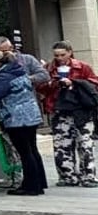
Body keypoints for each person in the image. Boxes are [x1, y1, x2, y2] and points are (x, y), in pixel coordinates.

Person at [0, 49, 47, 196]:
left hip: (16, 118)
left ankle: (31, 187)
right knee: (32, 149)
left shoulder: (4, 76)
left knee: (25, 152)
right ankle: (39, 183)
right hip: (31, 115)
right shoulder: (19, 71)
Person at [41, 42, 98, 187]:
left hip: (81, 110)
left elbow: (93, 84)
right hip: (59, 110)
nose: (59, 58)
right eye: (56, 55)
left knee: (85, 144)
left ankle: (88, 176)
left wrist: (73, 83)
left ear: (70, 52)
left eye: (63, 54)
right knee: (62, 144)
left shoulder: (82, 67)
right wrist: (53, 84)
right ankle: (68, 176)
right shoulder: (49, 68)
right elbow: (40, 87)